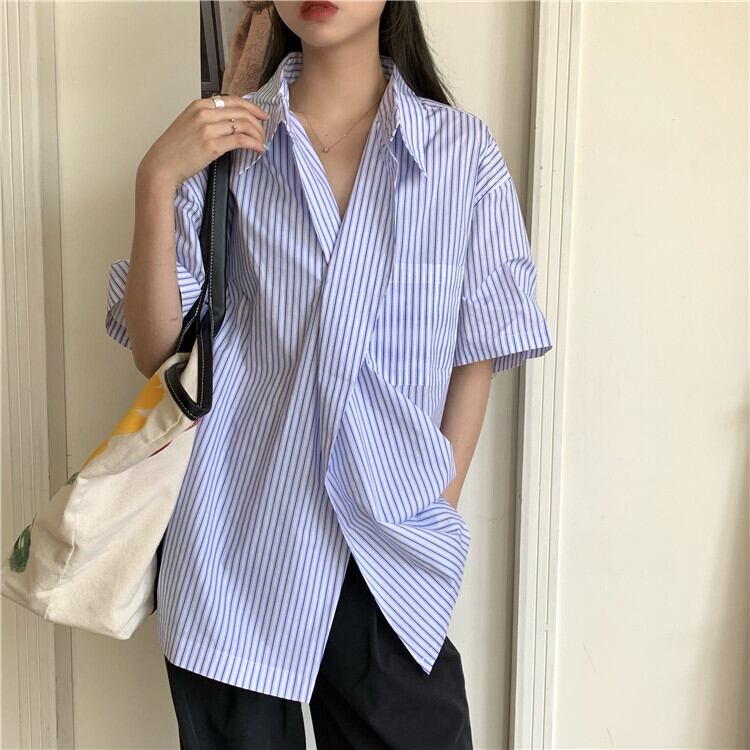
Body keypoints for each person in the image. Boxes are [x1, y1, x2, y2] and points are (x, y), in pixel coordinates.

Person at [104, 1, 553, 747]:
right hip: (234, 543)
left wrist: (431, 503)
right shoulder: (227, 143)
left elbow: (479, 348)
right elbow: (157, 350)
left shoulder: (459, 154)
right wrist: (156, 180)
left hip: (384, 547)